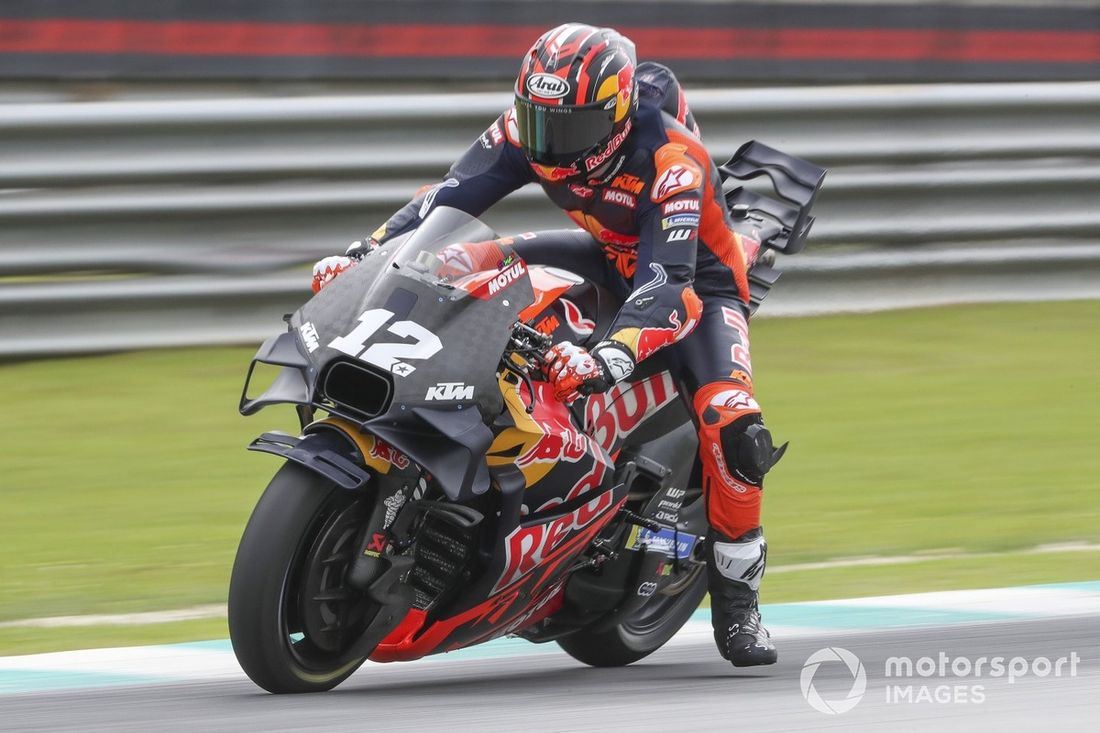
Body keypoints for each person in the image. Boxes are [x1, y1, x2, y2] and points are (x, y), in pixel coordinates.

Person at [312, 22, 786, 667]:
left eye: (569, 127)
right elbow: (444, 202)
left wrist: (611, 354)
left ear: (618, 117)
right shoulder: (520, 130)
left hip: (697, 286)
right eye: (539, 121)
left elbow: (667, 282)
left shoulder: (673, 163)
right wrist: (365, 257)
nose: (548, 142)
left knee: (731, 423)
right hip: (603, 251)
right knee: (450, 263)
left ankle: (739, 601)